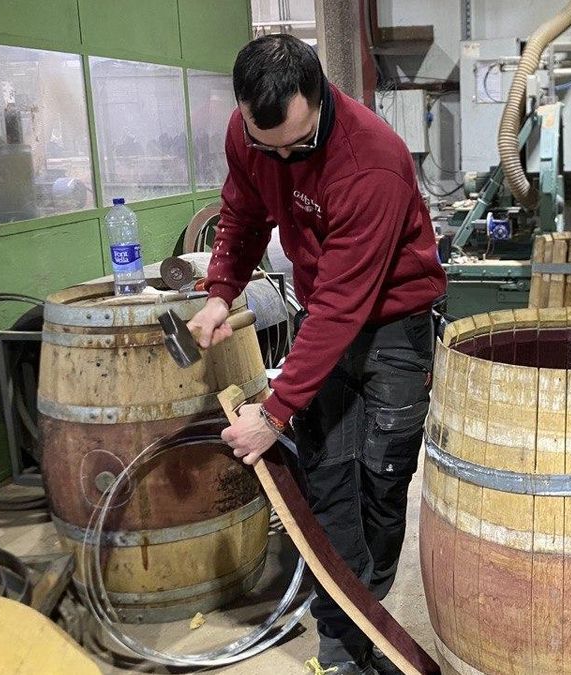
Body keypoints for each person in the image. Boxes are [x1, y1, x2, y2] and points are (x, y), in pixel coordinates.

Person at [187, 35, 446, 675]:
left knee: (382, 485)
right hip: (328, 312)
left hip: (392, 327)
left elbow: (343, 306)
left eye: (295, 147)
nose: (281, 158)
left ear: (320, 96)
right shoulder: (249, 134)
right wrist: (221, 291)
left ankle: (368, 608)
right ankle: (342, 638)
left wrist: (272, 415)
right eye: (265, 144)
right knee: (330, 479)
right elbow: (244, 213)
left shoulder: (372, 161)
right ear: (245, 110)